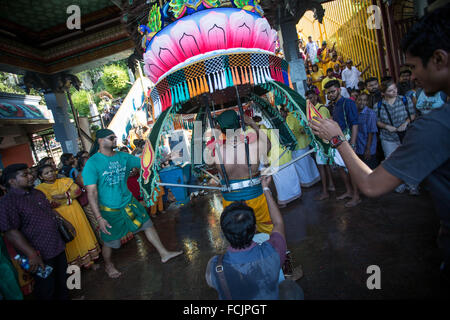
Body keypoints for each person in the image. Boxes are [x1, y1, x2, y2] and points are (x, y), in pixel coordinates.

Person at [308, 4, 450, 283]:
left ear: (439, 59)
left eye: (412, 67)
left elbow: (372, 184)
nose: (409, 76)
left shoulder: (434, 127)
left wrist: (337, 139)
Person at [82, 129, 182, 278]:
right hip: (110, 211)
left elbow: (145, 163)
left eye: (115, 137)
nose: (115, 140)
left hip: (129, 204)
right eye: (111, 138)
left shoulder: (123, 157)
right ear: (100, 141)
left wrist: (164, 158)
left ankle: (164, 253)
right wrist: (99, 218)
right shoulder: (92, 163)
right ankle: (109, 265)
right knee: (111, 243)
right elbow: (92, 192)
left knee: (147, 225)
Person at [205, 175, 303, 300]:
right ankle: (288, 274)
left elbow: (212, 283)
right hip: (258, 199)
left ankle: (288, 273)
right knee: (290, 288)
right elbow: (278, 223)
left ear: (225, 233)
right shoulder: (272, 251)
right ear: (255, 228)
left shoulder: (215, 266)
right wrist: (265, 188)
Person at [0, 164, 72, 299]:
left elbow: (50, 211)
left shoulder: (37, 192)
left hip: (56, 245)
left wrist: (66, 223)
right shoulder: (7, 202)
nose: (30, 176)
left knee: (65, 278)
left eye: (29, 173)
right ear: (12, 181)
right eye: (25, 175)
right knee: (46, 287)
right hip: (39, 253)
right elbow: (11, 232)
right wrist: (31, 254)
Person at [205, 109, 273, 234]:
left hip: (232, 202)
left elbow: (208, 162)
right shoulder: (253, 145)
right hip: (255, 197)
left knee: (239, 236)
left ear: (221, 128)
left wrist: (214, 135)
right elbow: (268, 144)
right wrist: (252, 123)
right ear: (240, 123)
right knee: (267, 230)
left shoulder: (218, 152)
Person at [36, 165, 101, 269]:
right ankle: (76, 265)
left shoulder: (65, 181)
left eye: (51, 171)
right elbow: (51, 204)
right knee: (68, 237)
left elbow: (77, 191)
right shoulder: (39, 190)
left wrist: (63, 196)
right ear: (40, 177)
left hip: (76, 211)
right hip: (60, 216)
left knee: (82, 233)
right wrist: (69, 196)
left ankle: (90, 262)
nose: (50, 174)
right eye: (46, 173)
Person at [373, 77, 419, 195]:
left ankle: (412, 185)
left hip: (406, 135)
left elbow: (413, 114)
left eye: (395, 89)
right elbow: (377, 121)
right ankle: (399, 184)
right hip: (388, 137)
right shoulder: (378, 106)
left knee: (408, 159)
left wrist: (406, 122)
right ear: (383, 93)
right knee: (392, 160)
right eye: (390, 91)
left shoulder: (405, 99)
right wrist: (386, 126)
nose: (394, 92)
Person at [324, 80, 361, 207]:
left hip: (347, 139)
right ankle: (349, 191)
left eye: (333, 91)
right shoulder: (333, 106)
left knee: (351, 169)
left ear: (339, 89)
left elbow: (355, 123)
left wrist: (353, 143)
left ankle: (356, 196)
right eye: (328, 93)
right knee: (340, 168)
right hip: (337, 140)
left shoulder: (348, 102)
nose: (331, 95)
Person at [306, 90, 336, 200]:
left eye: (311, 97)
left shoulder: (321, 109)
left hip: (321, 142)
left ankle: (325, 191)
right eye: (307, 98)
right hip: (320, 142)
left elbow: (321, 126)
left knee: (322, 166)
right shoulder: (313, 109)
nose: (309, 100)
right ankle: (331, 185)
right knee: (325, 165)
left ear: (315, 97)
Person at [283, 108, 320, 188]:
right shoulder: (300, 113)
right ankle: (315, 178)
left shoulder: (290, 117)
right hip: (306, 142)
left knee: (302, 166)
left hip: (297, 145)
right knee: (308, 162)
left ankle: (307, 182)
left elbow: (290, 132)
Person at [355, 93, 378, 169]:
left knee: (370, 170)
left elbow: (371, 132)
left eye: (364, 100)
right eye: (360, 100)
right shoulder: (355, 112)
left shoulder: (370, 113)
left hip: (367, 148)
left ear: (367, 102)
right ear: (356, 100)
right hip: (358, 147)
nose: (362, 102)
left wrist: (368, 149)